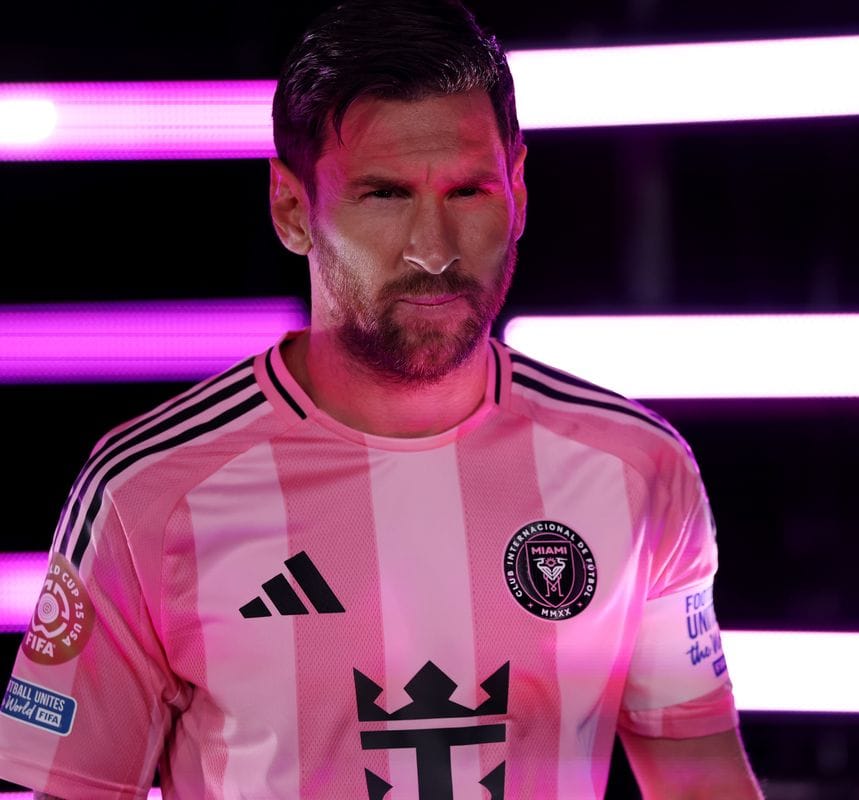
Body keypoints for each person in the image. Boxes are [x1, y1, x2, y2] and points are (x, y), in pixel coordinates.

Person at [0, 1, 762, 797]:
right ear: (292, 210)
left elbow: (701, 783)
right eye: (385, 195)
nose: (433, 250)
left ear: (519, 190)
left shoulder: (635, 468)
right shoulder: (149, 492)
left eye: (468, 191)